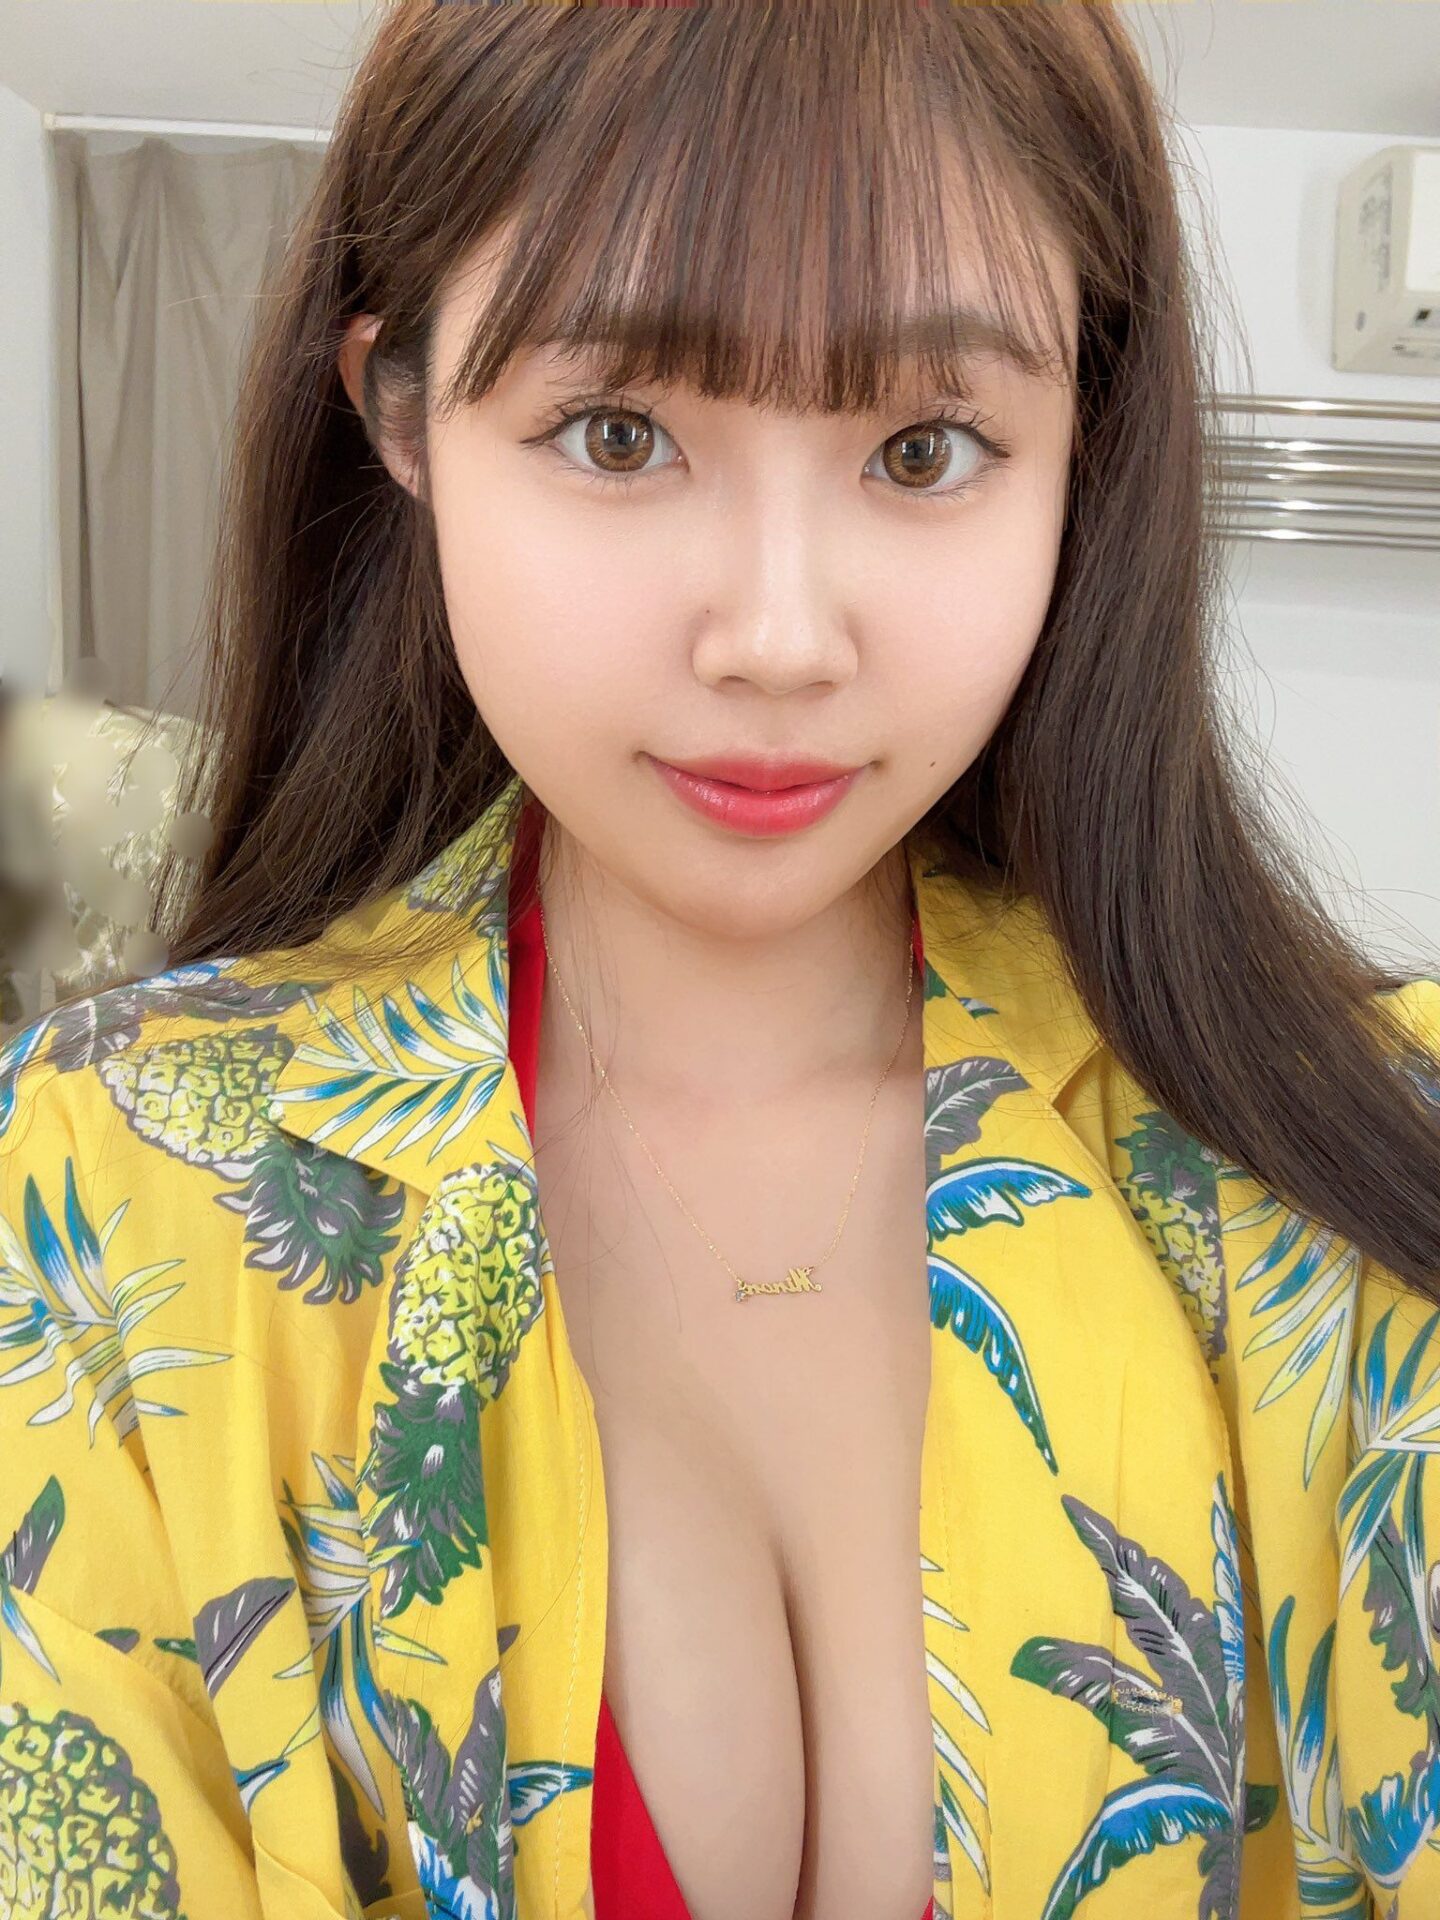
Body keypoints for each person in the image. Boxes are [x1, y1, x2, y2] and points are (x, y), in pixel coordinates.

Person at [3, 4, 1439, 1918]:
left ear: (1077, 453)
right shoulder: (110, 1189)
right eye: (621, 435)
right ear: (404, 416)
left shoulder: (1365, 1166)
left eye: (924, 449)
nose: (777, 634)